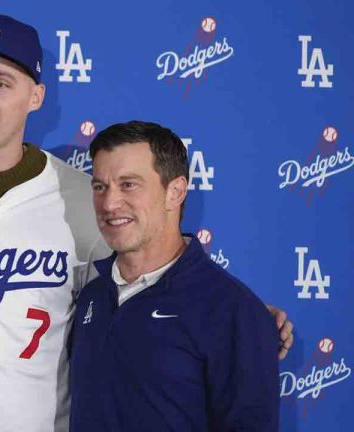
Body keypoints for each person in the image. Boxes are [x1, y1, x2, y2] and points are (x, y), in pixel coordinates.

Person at [0, 15, 292, 432]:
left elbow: (147, 280)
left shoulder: (83, 195)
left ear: (36, 96)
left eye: (1, 83)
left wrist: (241, 323)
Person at [70, 121, 279, 431]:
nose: (109, 204)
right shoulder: (92, 296)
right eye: (100, 186)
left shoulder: (232, 310)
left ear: (175, 192)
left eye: (129, 184)